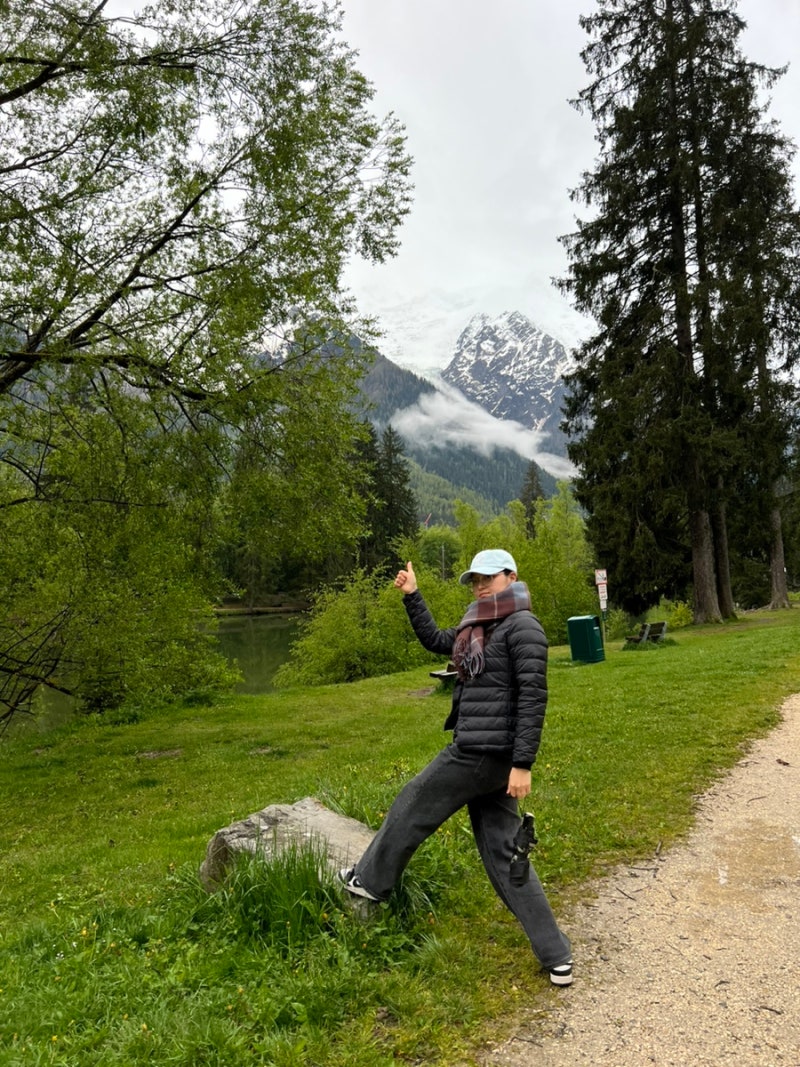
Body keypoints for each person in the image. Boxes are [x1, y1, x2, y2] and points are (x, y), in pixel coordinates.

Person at [339, 549, 573, 986]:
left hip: (483, 754)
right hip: (489, 758)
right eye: (474, 579)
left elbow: (533, 700)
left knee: (414, 801)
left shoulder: (524, 626)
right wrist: (413, 595)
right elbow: (435, 639)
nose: (480, 585)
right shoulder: (478, 624)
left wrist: (522, 764)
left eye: (489, 577)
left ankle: (368, 881)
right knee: (506, 856)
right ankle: (555, 954)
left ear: (511, 577)